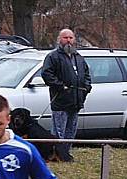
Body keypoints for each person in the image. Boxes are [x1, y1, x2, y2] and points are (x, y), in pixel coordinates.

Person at [41, 28, 91, 163]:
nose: (68, 40)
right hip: (60, 101)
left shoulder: (78, 57)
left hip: (76, 101)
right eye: (65, 38)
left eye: (70, 38)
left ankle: (66, 153)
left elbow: (86, 75)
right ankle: (56, 154)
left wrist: (86, 88)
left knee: (71, 131)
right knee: (58, 131)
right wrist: (60, 86)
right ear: (59, 39)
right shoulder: (53, 57)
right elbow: (46, 74)